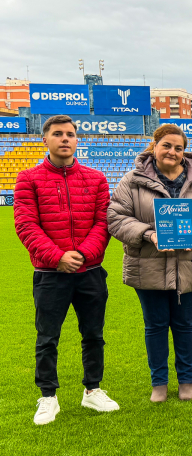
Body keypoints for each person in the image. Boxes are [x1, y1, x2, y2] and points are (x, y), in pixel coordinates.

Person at [108, 124, 192, 402]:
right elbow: (116, 218)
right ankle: (159, 383)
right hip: (147, 265)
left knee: (185, 325)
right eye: (167, 145)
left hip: (187, 264)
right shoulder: (132, 180)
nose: (172, 151)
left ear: (184, 152)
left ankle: (187, 381)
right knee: (156, 325)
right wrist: (148, 234)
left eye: (179, 147)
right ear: (154, 146)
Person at [14, 114, 119, 425]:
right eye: (57, 134)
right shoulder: (28, 179)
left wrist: (83, 255)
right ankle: (48, 396)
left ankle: (93, 390)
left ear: (77, 140)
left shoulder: (97, 179)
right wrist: (57, 256)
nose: (65, 139)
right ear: (44, 139)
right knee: (47, 337)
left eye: (70, 134)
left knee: (93, 335)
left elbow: (104, 224)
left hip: (90, 271)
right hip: (50, 273)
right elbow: (26, 225)